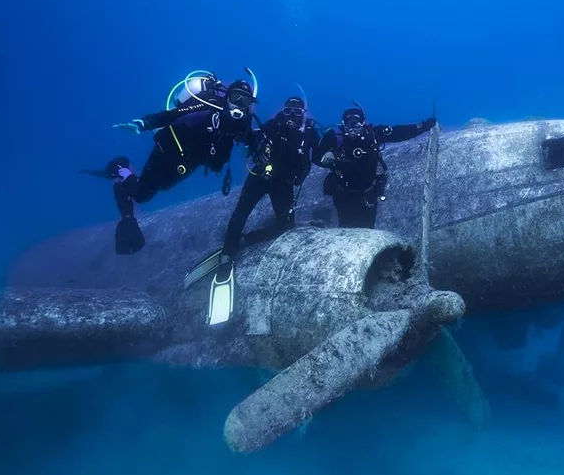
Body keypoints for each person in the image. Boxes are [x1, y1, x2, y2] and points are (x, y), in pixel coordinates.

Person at [82, 69, 260, 255]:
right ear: (227, 98)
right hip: (168, 151)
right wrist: (142, 124)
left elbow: (251, 139)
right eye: (236, 97)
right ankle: (120, 167)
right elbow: (172, 115)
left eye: (245, 100)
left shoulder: (243, 123)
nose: (239, 104)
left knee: (163, 186)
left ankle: (126, 175)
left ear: (250, 105)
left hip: (190, 161)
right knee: (142, 194)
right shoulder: (209, 107)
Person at [186, 95, 321, 326]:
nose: (290, 116)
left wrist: (330, 158)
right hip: (260, 177)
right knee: (240, 214)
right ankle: (227, 253)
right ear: (283, 110)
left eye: (296, 112)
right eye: (288, 110)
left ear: (303, 114)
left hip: (284, 184)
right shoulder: (271, 125)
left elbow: (318, 155)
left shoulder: (309, 133)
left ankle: (247, 240)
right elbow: (249, 138)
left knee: (285, 227)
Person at [315, 103, 436, 228]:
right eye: (349, 123)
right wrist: (326, 154)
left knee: (367, 227)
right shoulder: (335, 136)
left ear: (363, 122)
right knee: (346, 226)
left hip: (368, 192)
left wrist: (422, 126)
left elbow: (398, 133)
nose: (353, 127)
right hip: (343, 194)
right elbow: (317, 154)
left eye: (357, 122)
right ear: (343, 124)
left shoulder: (372, 134)